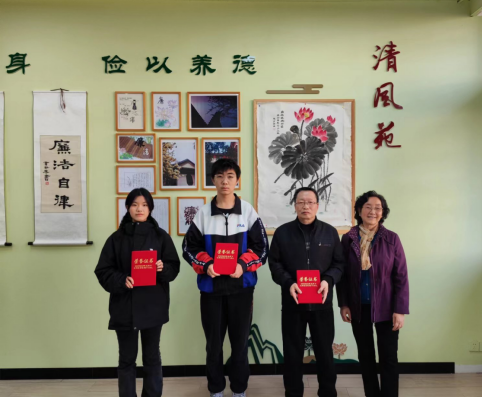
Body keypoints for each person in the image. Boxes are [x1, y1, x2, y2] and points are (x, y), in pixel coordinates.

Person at [183, 158, 268, 397]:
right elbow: (189, 248)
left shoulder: (248, 211)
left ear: (237, 180)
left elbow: (262, 248)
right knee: (213, 345)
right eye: (220, 176)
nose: (225, 181)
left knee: (240, 344)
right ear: (213, 180)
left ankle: (239, 390)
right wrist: (206, 265)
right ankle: (216, 389)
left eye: (230, 176)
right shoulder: (203, 214)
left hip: (242, 289)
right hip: (211, 291)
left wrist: (243, 265)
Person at [95, 188, 180, 397]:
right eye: (134, 205)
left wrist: (162, 268)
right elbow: (103, 271)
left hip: (153, 306)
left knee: (152, 357)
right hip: (124, 307)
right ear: (127, 207)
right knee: (126, 359)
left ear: (150, 208)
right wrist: (122, 280)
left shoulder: (161, 236)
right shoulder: (116, 239)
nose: (139, 209)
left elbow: (174, 267)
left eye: (144, 205)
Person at [268, 187, 344, 397]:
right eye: (301, 202)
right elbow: (274, 264)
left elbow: (339, 264)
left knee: (325, 353)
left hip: (322, 303)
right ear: (295, 205)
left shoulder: (330, 232)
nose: (306, 206)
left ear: (317, 206)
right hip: (293, 303)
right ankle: (293, 393)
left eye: (310, 202)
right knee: (292, 353)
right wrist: (288, 282)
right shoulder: (282, 233)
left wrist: (328, 280)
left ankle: (328, 392)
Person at [337, 190, 409, 397]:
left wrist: (400, 310)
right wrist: (344, 304)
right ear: (359, 211)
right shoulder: (348, 239)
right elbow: (342, 275)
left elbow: (401, 276)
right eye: (368, 207)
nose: (373, 211)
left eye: (378, 208)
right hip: (358, 306)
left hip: (387, 307)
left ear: (383, 213)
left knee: (389, 356)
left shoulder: (391, 239)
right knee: (366, 356)